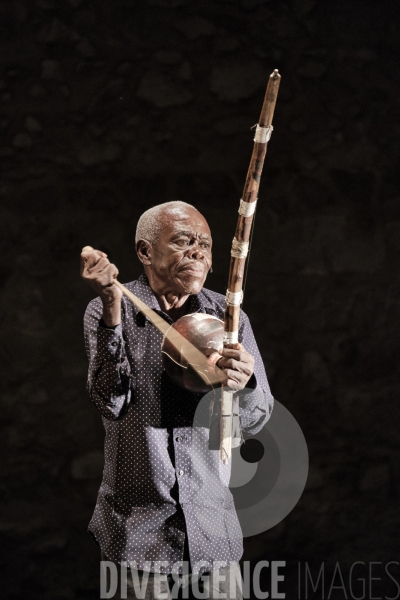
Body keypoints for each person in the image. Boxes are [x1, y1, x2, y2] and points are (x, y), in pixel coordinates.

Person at [80, 201, 274, 599]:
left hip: (212, 530)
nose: (198, 252)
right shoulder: (109, 308)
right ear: (145, 251)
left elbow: (257, 419)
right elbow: (110, 402)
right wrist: (111, 308)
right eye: (184, 241)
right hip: (137, 533)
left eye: (205, 245)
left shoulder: (229, 316)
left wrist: (247, 383)